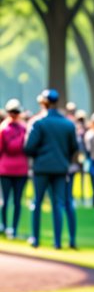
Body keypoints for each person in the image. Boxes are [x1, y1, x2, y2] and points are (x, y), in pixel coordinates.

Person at [24, 88, 78, 248]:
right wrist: (63, 158)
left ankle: (35, 238)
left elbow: (28, 147)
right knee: (58, 204)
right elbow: (73, 147)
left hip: (41, 168)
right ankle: (57, 242)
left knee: (37, 203)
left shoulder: (38, 122)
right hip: (60, 168)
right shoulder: (68, 124)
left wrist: (40, 155)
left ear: (43, 103)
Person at [0, 99, 29, 239]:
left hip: (5, 169)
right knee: (17, 201)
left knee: (5, 200)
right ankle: (14, 229)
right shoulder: (25, 128)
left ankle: (5, 227)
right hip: (20, 169)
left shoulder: (2, 128)